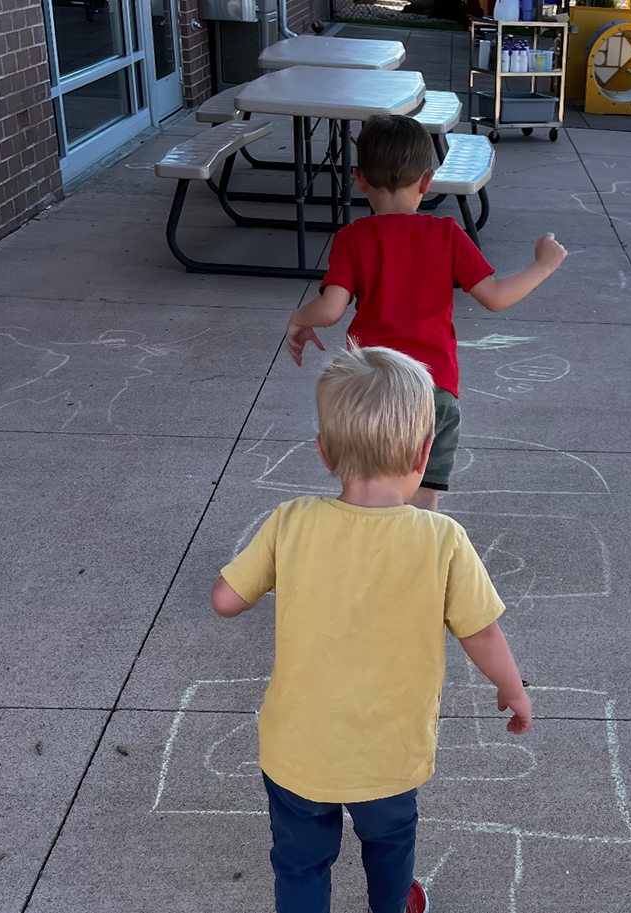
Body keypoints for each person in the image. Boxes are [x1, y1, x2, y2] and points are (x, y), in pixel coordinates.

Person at [211, 346, 532, 913]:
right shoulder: (441, 540)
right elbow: (480, 633)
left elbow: (225, 601)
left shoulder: (290, 522)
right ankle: (391, 906)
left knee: (301, 860)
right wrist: (511, 688)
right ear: (424, 454)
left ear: (324, 452)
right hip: (389, 752)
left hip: (298, 750)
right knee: (388, 843)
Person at [285, 114, 568, 511]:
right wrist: (543, 265)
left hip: (369, 388)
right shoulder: (447, 233)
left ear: (359, 178)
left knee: (362, 492)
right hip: (431, 390)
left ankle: (356, 560)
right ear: (427, 182)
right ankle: (420, 567)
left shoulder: (353, 238)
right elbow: (495, 296)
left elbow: (331, 309)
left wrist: (299, 318)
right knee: (422, 498)